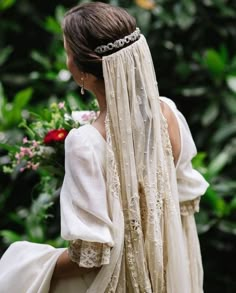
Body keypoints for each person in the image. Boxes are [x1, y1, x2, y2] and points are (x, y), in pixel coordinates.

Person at [0, 2, 209, 292]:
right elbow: (182, 209)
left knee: (17, 265)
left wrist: (35, 265)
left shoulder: (84, 142)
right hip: (167, 275)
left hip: (116, 283)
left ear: (82, 70)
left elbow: (91, 255)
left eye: (67, 52)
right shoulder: (169, 114)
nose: (66, 61)